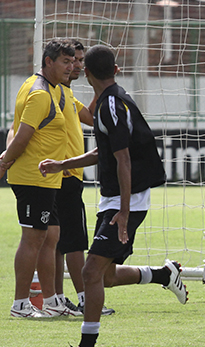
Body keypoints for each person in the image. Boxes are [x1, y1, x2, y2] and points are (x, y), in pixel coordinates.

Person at [39, 45, 188, 347]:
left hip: (127, 200)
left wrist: (122, 211)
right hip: (119, 198)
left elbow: (123, 161)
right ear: (117, 70)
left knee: (90, 272)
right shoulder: (112, 100)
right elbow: (103, 152)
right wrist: (61, 164)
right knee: (104, 276)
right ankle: (164, 274)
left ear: (87, 74)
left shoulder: (110, 106)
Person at [1, 39, 83, 318]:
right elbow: (20, 136)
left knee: (51, 237)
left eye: (73, 62)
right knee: (33, 239)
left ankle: (51, 301)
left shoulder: (53, 89)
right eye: (65, 62)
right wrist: (4, 162)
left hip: (48, 179)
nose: (71, 67)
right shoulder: (39, 93)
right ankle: (21, 304)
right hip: (32, 178)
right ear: (48, 61)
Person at [55, 39, 115, 316]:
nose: (77, 65)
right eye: (72, 60)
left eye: (80, 60)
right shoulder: (49, 91)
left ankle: (56, 297)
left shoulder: (66, 92)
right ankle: (82, 298)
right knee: (74, 241)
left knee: (57, 240)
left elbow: (89, 116)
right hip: (64, 174)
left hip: (67, 174)